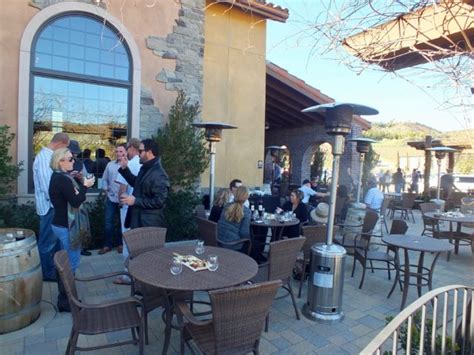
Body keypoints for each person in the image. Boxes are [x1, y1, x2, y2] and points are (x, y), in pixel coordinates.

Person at [49, 148, 95, 311]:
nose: (73, 162)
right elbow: (76, 201)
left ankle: (64, 298)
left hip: (60, 224)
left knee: (64, 261)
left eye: (72, 159)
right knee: (71, 264)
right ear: (60, 161)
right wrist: (86, 185)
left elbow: (69, 195)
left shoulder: (61, 177)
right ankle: (66, 301)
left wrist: (75, 180)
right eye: (69, 159)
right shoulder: (62, 180)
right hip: (66, 227)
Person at [33, 132, 70, 282]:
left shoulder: (48, 157)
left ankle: (55, 271)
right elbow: (47, 188)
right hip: (49, 208)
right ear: (60, 143)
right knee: (47, 243)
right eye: (65, 148)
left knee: (54, 243)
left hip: (53, 207)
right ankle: (47, 274)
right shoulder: (44, 158)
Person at [118, 139, 170, 228]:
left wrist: (135, 201)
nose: (138, 154)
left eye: (141, 151)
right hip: (138, 221)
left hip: (148, 224)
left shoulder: (159, 174)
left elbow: (159, 201)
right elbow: (137, 184)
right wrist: (124, 169)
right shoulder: (145, 168)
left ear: (149, 152)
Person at [114, 138, 142, 285]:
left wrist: (120, 203)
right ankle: (139, 272)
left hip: (127, 206)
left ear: (131, 148)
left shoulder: (129, 164)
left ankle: (127, 275)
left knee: (127, 240)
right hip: (139, 207)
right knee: (137, 239)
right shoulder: (142, 165)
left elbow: (122, 188)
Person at [99, 144, 127, 254]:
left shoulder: (129, 165)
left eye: (121, 151)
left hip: (124, 200)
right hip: (111, 198)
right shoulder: (110, 165)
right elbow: (104, 179)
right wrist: (106, 190)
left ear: (125, 152)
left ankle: (121, 244)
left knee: (122, 223)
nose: (119, 153)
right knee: (108, 223)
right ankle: (107, 245)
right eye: (117, 151)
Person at [68, 140, 92, 256]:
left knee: (82, 223)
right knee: (71, 226)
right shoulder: (60, 163)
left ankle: (81, 247)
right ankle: (72, 249)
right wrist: (69, 176)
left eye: (76, 153)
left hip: (79, 196)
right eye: (73, 153)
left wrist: (81, 177)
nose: (75, 155)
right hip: (68, 200)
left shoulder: (80, 164)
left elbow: (86, 179)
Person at [217, 186, 251, 251]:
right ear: (247, 197)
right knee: (252, 242)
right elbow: (244, 233)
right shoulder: (247, 212)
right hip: (233, 245)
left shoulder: (227, 206)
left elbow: (221, 221)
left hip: (219, 239)